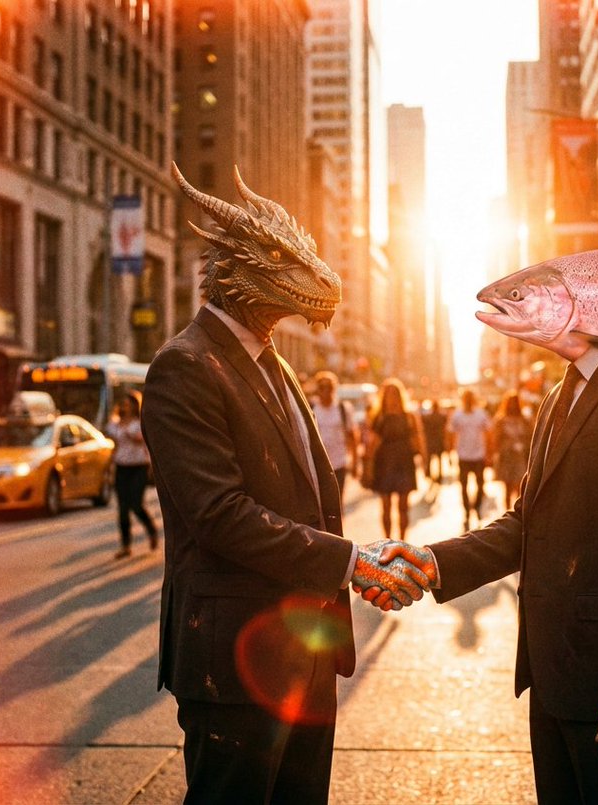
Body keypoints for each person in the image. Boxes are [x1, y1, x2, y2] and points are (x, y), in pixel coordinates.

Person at [141, 165, 431, 804]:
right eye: (279, 260)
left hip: (304, 656)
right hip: (236, 662)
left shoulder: (276, 363)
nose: (314, 281)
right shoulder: (184, 368)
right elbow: (219, 513)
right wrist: (351, 563)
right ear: (237, 266)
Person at [369, 248, 598, 803]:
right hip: (553, 678)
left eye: (523, 297)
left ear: (579, 306)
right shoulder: (556, 396)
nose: (509, 309)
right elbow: (528, 522)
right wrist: (433, 560)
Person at [367, 378, 425, 541]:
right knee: (385, 505)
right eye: (388, 394)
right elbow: (373, 443)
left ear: (400, 396)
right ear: (383, 397)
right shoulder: (379, 417)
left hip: (404, 461)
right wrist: (368, 465)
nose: (391, 397)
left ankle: (402, 540)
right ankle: (387, 541)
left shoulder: (408, 416)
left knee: (403, 506)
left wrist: (424, 460)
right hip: (384, 462)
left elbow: (417, 439)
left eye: (395, 394)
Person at [105, 393, 159, 558]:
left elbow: (142, 440)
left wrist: (132, 436)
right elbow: (114, 444)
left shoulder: (139, 423)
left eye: (129, 404)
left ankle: (151, 530)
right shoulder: (116, 424)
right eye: (123, 404)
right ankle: (125, 545)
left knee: (136, 503)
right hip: (122, 467)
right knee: (122, 508)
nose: (125, 407)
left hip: (138, 467)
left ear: (135, 406)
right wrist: (109, 466)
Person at [310, 370, 359, 496]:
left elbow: (352, 435)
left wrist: (355, 463)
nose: (326, 391)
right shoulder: (311, 408)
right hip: (317, 464)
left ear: (334, 389)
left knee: (336, 500)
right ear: (318, 389)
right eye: (322, 387)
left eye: (329, 387)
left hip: (339, 463)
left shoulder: (343, 409)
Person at [449, 388, 491, 528]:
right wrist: (449, 451)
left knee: (480, 484)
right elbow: (450, 433)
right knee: (464, 485)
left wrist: (489, 452)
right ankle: (467, 511)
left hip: (479, 455)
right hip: (463, 455)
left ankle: (477, 507)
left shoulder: (481, 414)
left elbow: (488, 432)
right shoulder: (457, 415)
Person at [490, 389, 530, 509]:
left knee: (519, 486)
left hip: (519, 456)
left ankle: (517, 511)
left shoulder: (525, 420)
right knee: (507, 487)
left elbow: (530, 436)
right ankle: (507, 511)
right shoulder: (501, 420)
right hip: (506, 456)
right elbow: (495, 439)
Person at [420, 398, 449, 483]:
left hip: (431, 440)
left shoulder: (428, 417)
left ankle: (428, 473)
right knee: (439, 459)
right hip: (439, 439)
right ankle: (439, 475)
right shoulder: (442, 417)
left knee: (430, 458)